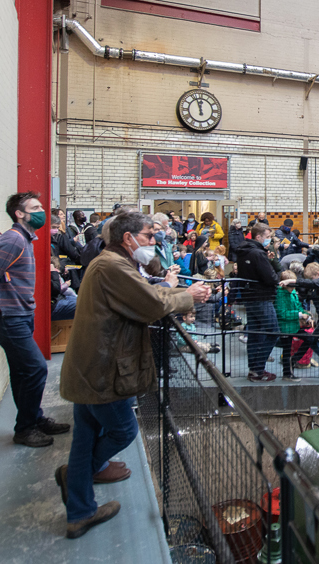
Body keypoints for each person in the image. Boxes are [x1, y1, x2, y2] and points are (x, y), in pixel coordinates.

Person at [56, 212, 210, 539]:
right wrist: (188, 296)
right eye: (148, 236)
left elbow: (144, 293)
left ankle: (80, 511)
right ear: (128, 239)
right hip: (102, 370)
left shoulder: (112, 263)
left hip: (92, 367)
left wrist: (172, 288)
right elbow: (149, 302)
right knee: (124, 430)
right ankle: (76, 476)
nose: (153, 242)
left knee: (85, 435)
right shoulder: (112, 266)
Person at [0, 192, 71, 447]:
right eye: (35, 207)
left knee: (21, 371)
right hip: (8, 318)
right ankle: (25, 428)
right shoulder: (13, 241)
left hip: (20, 314)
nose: (41, 211)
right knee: (36, 368)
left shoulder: (25, 239)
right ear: (19, 213)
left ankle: (34, 419)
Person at [236, 222, 284, 382]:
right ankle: (259, 369)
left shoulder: (245, 251)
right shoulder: (258, 253)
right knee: (273, 332)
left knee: (255, 334)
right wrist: (276, 276)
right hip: (261, 297)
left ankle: (254, 370)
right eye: (268, 237)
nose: (269, 240)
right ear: (258, 236)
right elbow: (270, 278)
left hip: (249, 296)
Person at [51, 257, 77, 321]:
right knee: (84, 304)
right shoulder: (52, 271)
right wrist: (53, 272)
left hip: (59, 298)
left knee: (82, 299)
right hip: (53, 304)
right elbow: (56, 289)